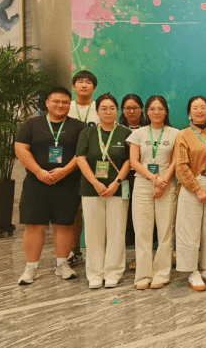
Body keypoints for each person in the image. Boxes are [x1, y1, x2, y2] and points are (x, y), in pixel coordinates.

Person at [15, 87, 86, 285]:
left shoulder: (78, 126)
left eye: (65, 102)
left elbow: (81, 154)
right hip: (36, 182)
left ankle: (62, 264)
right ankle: (31, 268)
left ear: (70, 104)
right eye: (56, 101)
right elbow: (21, 149)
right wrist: (39, 171)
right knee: (34, 224)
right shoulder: (32, 124)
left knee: (64, 224)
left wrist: (65, 171)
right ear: (47, 103)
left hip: (67, 183)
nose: (60, 105)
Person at [75, 93, 132, 288]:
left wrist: (116, 182)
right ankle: (95, 273)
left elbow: (129, 160)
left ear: (117, 111)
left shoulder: (125, 133)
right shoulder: (87, 133)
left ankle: (113, 272)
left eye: (112, 108)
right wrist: (95, 183)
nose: (108, 112)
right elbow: (80, 159)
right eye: (104, 108)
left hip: (118, 189)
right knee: (93, 232)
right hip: (92, 190)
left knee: (117, 231)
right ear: (97, 111)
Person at [174, 96, 206, 291]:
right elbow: (181, 166)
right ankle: (192, 271)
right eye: (195, 107)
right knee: (189, 230)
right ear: (189, 112)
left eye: (203, 107)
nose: (199, 111)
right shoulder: (183, 135)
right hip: (191, 187)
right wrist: (197, 190)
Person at [127, 95, 178, 290]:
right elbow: (134, 162)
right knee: (142, 232)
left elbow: (175, 160)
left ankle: (162, 274)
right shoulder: (138, 133)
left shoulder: (175, 133)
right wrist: (154, 179)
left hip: (167, 184)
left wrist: (163, 182)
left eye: (160, 109)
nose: (156, 112)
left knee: (165, 231)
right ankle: (143, 274)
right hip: (143, 184)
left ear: (166, 112)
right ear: (146, 112)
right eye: (152, 109)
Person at [67, 70, 99, 267]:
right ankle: (75, 250)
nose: (84, 85)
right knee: (74, 211)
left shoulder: (100, 107)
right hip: (69, 167)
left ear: (94, 87)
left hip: (94, 166)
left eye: (88, 82)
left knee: (95, 211)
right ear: (74, 86)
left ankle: (98, 251)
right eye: (80, 81)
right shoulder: (66, 107)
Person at [119, 93, 149, 270]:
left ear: (141, 109)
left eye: (135, 108)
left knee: (144, 219)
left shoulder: (149, 128)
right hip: (123, 179)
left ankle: (141, 257)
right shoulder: (118, 130)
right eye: (127, 108)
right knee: (126, 218)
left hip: (145, 177)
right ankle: (120, 257)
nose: (131, 111)